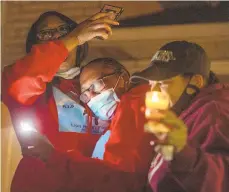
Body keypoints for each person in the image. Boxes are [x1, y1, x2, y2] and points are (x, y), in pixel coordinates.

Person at [11, 57, 156, 192]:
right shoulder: (118, 118)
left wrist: (55, 158)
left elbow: (121, 179)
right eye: (85, 94)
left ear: (123, 77)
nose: (91, 97)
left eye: (95, 86)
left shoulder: (135, 106)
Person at [131, 40, 229, 192]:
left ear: (196, 82)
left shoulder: (214, 114)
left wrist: (182, 151)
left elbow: (221, 179)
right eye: (151, 84)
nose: (153, 92)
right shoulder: (185, 112)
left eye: (163, 83)